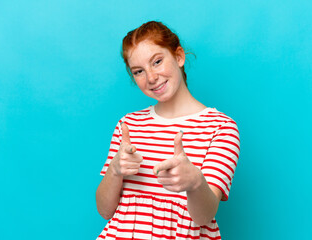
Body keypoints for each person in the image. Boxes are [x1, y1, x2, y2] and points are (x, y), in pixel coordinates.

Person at [95, 21, 240, 239]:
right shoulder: (129, 125)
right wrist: (115, 169)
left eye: (157, 61)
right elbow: (105, 211)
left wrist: (195, 182)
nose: (151, 77)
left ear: (179, 57)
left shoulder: (221, 127)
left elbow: (204, 217)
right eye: (138, 71)